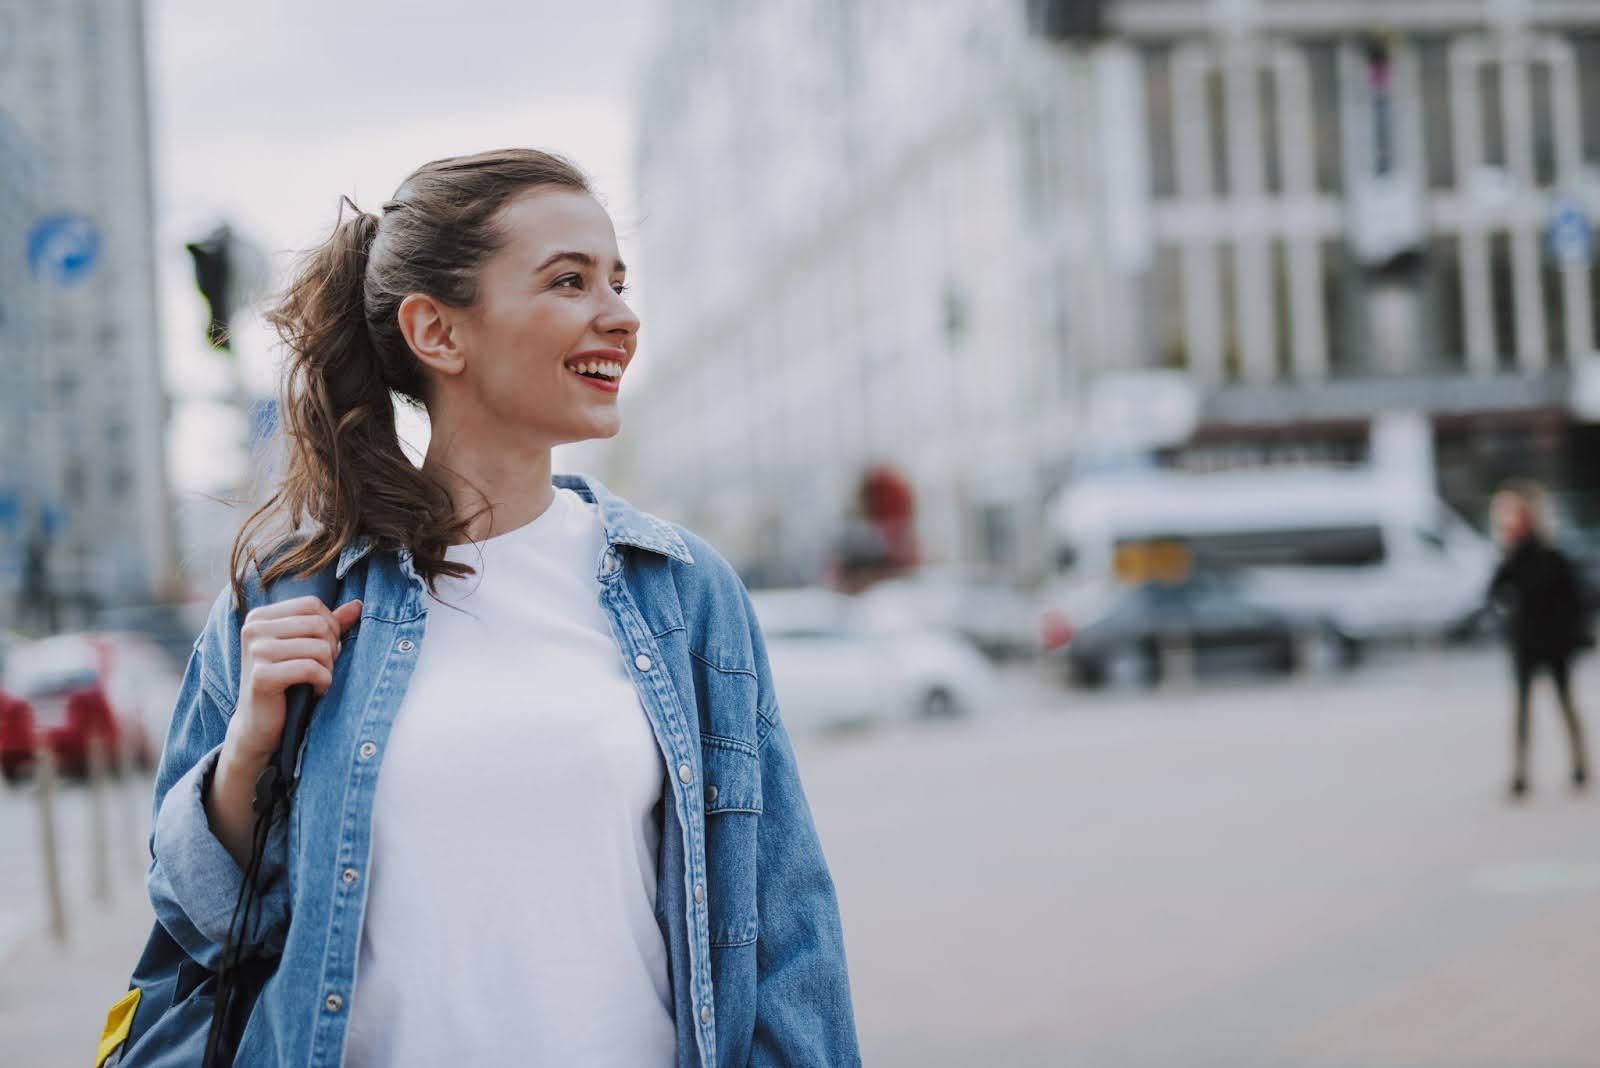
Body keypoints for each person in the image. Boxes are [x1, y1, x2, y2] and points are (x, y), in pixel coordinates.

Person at [145, 148, 860, 1066]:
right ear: (438, 333)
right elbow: (199, 923)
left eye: (619, 280)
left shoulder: (681, 591)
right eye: (570, 281)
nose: (621, 316)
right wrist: (246, 750)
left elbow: (782, 924)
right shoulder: (294, 593)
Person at [1488, 480, 1591, 799]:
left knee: (1564, 703)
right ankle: (1521, 772)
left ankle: (1579, 765)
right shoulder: (1511, 556)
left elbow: (1573, 599)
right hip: (1525, 642)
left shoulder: (1550, 555)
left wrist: (1576, 636)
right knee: (1523, 708)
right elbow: (1493, 594)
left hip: (1554, 641)